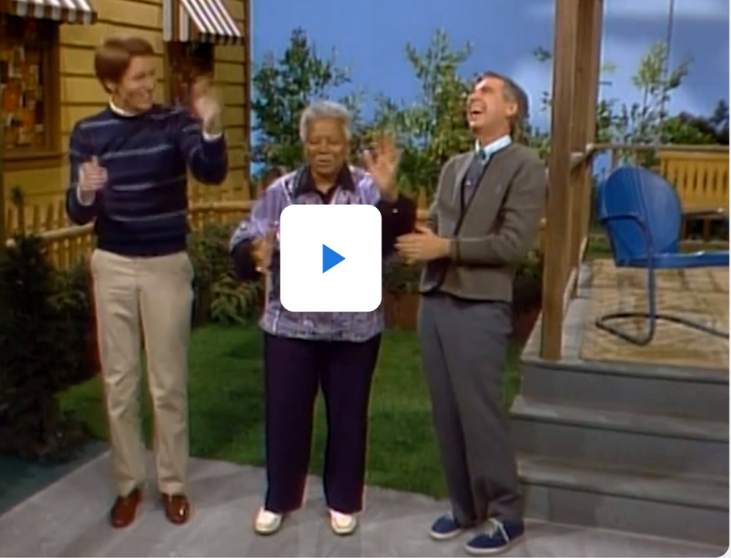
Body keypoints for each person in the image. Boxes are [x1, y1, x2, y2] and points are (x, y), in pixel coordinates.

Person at [229, 100, 416, 536]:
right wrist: (254, 253)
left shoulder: (369, 190)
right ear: (304, 145)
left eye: (333, 140)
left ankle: (344, 500)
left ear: (347, 143)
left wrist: (391, 197)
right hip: (289, 328)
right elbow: (244, 239)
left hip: (355, 330)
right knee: (286, 413)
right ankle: (278, 499)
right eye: (315, 141)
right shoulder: (282, 192)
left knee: (349, 416)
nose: (324, 149)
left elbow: (398, 237)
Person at [65, 36, 228, 528]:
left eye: (150, 77)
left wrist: (212, 127)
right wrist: (84, 191)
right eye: (139, 78)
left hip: (165, 265)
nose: (148, 86)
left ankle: (173, 485)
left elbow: (210, 172)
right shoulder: (89, 132)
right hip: (112, 264)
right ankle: (128, 484)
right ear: (112, 82)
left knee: (167, 384)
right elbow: (77, 212)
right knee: (119, 383)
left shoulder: (173, 123)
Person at [396, 72, 546, 555]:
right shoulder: (455, 166)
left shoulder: (525, 165)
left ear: (512, 109)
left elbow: (511, 244)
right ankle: (465, 508)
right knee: (447, 413)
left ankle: (506, 514)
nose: (472, 97)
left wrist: (446, 247)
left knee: (481, 414)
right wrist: (390, 196)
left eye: (485, 91)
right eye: (471, 92)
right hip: (435, 302)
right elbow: (433, 229)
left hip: (480, 306)